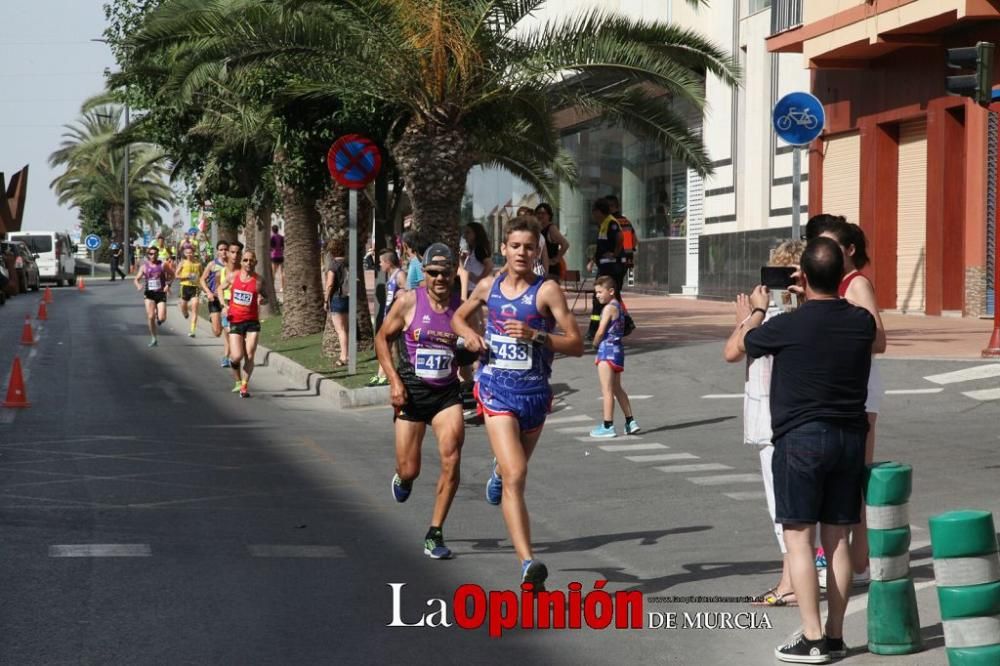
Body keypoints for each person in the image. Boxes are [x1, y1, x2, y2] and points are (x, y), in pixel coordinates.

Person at [729, 237, 875, 663]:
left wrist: (757, 309)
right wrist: (812, 294)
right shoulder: (861, 322)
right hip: (849, 439)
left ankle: (811, 637)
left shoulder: (785, 325)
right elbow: (839, 315)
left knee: (798, 539)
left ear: (802, 278)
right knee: (838, 540)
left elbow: (742, 345)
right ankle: (834, 634)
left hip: (800, 440)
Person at [452, 215, 584, 591]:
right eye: (516, 246)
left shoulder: (547, 291)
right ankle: (528, 563)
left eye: (530, 246)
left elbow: (576, 344)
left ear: (537, 250)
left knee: (512, 471)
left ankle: (498, 472)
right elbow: (458, 319)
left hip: (535, 395)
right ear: (504, 248)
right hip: (495, 389)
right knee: (518, 476)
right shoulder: (489, 286)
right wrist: (472, 338)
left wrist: (537, 335)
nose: (522, 252)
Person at [723, 239, 804, 609]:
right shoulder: (802, 315)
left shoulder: (772, 318)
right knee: (789, 507)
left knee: (782, 509)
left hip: (775, 419)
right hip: (786, 416)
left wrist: (750, 315)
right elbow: (735, 350)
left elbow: (732, 350)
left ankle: (790, 583)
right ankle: (791, 578)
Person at [375, 243, 466, 560]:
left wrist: (471, 368)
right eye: (433, 272)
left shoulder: (462, 307)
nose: (440, 278)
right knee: (410, 468)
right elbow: (382, 338)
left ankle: (435, 533)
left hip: (446, 394)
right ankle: (403, 476)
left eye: (446, 272)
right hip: (412, 390)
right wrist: (394, 382)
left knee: (452, 456)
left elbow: (471, 347)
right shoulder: (409, 301)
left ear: (455, 272)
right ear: (423, 273)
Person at [817, 219, 886, 589]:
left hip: (859, 389)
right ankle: (857, 558)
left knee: (855, 473)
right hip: (845, 387)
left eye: (829, 246)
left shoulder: (856, 283)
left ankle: (859, 558)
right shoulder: (836, 285)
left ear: (849, 250)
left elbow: (878, 338)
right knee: (846, 472)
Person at [589, 275, 639, 438]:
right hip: (618, 350)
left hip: (606, 351)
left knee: (607, 390)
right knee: (617, 388)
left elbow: (601, 330)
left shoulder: (608, 308)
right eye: (596, 293)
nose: (597, 295)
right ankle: (630, 421)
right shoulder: (619, 306)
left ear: (611, 291)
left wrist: (595, 344)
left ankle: (607, 425)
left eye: (600, 292)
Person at [218, 249, 264, 398]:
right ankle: (238, 380)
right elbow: (220, 288)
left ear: (255, 262)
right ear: (241, 262)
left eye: (251, 260)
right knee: (236, 356)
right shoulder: (233, 277)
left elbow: (268, 296)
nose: (248, 263)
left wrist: (263, 300)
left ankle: (244, 386)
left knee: (249, 354)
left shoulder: (259, 281)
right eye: (245, 260)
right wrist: (223, 305)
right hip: (236, 321)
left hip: (252, 322)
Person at [587, 198, 625, 342]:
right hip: (604, 266)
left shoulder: (611, 223)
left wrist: (615, 253)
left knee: (607, 297)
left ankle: (596, 329)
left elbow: (620, 238)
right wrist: (592, 261)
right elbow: (600, 247)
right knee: (600, 297)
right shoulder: (603, 224)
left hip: (612, 267)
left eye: (594, 212)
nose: (593, 215)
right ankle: (595, 328)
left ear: (599, 211)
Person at [200, 241, 232, 367]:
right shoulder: (212, 264)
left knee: (227, 330)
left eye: (225, 249)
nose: (223, 252)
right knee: (217, 332)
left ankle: (226, 357)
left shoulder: (232, 265)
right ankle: (213, 319)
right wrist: (208, 292)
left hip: (227, 300)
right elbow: (202, 279)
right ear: (217, 251)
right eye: (221, 249)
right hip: (214, 299)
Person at [133, 246, 174, 347]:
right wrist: (138, 285)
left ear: (158, 254)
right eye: (151, 254)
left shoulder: (163, 265)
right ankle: (154, 338)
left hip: (160, 293)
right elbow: (136, 279)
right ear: (148, 255)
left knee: (162, 318)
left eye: (155, 253)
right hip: (149, 294)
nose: (153, 255)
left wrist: (168, 285)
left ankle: (158, 316)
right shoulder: (144, 267)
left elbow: (172, 275)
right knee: (150, 316)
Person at [324, 241, 350, 368]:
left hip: (337, 298)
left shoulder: (333, 265)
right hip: (348, 297)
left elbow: (329, 284)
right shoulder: (348, 263)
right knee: (346, 329)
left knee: (340, 330)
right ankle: (348, 354)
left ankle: (344, 357)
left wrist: (325, 300)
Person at [535, 203, 569, 283]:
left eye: (543, 213)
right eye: (538, 213)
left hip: (551, 271)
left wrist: (555, 260)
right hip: (539, 269)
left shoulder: (551, 228)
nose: (540, 215)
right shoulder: (537, 229)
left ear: (549, 215)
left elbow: (565, 244)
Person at [458, 222, 493, 299]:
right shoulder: (472, 251)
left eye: (468, 232)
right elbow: (463, 271)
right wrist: (462, 260)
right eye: (464, 233)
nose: (465, 236)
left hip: (474, 292)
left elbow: (489, 265)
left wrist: (479, 279)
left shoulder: (479, 249)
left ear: (476, 234)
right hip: (470, 291)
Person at [175, 245, 203, 338]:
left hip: (195, 287)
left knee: (195, 306)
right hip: (185, 286)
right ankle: (185, 313)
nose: (189, 254)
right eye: (187, 253)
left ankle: (192, 330)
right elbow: (176, 275)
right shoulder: (182, 263)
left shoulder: (198, 263)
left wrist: (202, 285)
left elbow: (202, 275)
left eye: (191, 252)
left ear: (193, 253)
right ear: (184, 253)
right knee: (184, 305)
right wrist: (187, 276)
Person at [606, 195, 638, 271]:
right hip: (623, 261)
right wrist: (629, 259)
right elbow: (632, 243)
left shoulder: (608, 222)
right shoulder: (625, 221)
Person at [270, 224, 285, 292]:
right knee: (282, 272)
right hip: (281, 256)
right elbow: (283, 246)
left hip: (274, 256)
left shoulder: (272, 237)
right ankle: (282, 287)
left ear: (272, 230)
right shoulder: (281, 237)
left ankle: (272, 287)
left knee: (273, 272)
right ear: (277, 230)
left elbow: (271, 247)